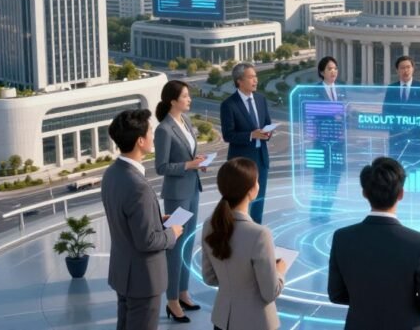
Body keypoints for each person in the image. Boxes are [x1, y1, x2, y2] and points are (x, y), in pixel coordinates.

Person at [327, 157, 420, 329]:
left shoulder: (342, 238)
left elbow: (336, 294)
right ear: (401, 193)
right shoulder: (418, 243)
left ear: (364, 193)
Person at [102, 109, 183, 330]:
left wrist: (156, 218)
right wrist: (171, 233)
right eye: (150, 132)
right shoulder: (138, 186)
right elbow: (147, 241)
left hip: (123, 274)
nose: (153, 137)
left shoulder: (111, 174)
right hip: (143, 280)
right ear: (140, 141)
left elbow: (125, 219)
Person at [201, 158, 287, 330]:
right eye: (256, 180)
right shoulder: (260, 234)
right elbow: (270, 292)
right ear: (251, 190)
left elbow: (209, 277)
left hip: (222, 320)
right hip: (256, 322)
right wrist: (279, 271)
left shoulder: (209, 225)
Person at [153, 80, 206, 322]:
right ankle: (172, 300)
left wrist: (197, 163)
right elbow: (161, 167)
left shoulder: (186, 122)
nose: (189, 99)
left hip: (192, 188)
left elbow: (189, 155)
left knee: (187, 243)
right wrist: (188, 165)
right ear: (173, 101)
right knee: (175, 247)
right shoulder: (163, 130)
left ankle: (183, 292)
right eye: (185, 96)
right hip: (177, 195)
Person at [221, 62, 275, 224]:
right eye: (251, 77)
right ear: (239, 81)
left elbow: (267, 123)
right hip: (241, 163)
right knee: (239, 203)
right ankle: (235, 235)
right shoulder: (229, 104)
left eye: (255, 76)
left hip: (261, 159)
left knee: (258, 202)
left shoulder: (260, 99)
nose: (255, 80)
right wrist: (251, 135)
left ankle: (255, 232)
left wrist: (268, 132)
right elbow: (228, 135)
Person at [311, 56, 347, 221]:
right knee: (320, 178)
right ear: (321, 72)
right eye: (329, 69)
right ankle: (315, 212)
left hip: (338, 143)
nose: (333, 72)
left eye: (335, 68)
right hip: (320, 143)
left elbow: (346, 111)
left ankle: (325, 211)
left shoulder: (341, 90)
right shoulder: (314, 90)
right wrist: (335, 113)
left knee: (334, 177)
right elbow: (312, 113)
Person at [381, 56, 420, 167]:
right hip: (396, 138)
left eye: (408, 67)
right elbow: (385, 111)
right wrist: (395, 126)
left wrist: (418, 127)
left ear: (413, 69)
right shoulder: (391, 88)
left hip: (415, 139)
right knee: (395, 171)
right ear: (397, 70)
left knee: (415, 170)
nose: (406, 70)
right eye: (402, 68)